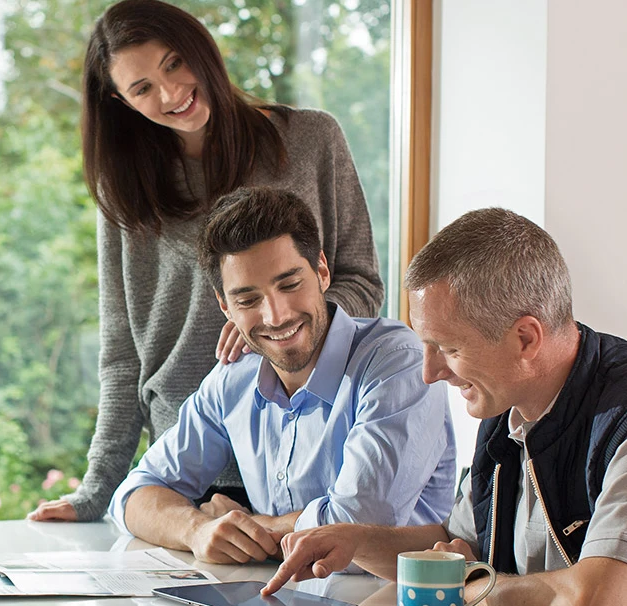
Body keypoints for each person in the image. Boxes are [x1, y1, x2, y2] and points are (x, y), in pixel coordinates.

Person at [262, 209, 627, 606]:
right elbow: (453, 542)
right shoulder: (508, 407)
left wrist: (469, 583)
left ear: (526, 337)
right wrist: (353, 540)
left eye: (450, 349)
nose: (430, 372)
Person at [28, 0, 384, 523]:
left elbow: (361, 282)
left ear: (202, 48)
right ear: (118, 100)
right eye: (142, 88)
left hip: (309, 448)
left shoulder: (310, 139)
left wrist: (275, 320)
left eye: (174, 63)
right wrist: (99, 487)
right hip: (185, 465)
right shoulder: (125, 188)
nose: (171, 93)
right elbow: (123, 351)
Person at [109, 187, 452, 563]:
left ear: (322, 271)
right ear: (225, 306)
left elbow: (354, 529)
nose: (276, 316)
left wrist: (251, 525)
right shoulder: (232, 382)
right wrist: (196, 529)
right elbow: (134, 496)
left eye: (289, 285)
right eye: (248, 300)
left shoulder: (396, 363)